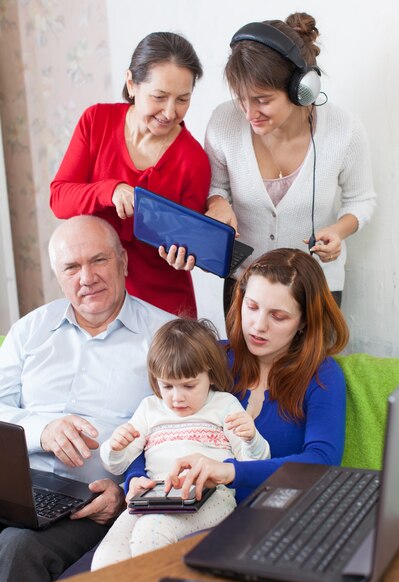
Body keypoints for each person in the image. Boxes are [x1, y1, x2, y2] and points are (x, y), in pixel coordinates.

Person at [0, 215, 174, 582]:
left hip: (93, 502)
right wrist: (42, 428)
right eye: (72, 267)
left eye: (99, 260)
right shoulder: (30, 330)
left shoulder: (166, 336)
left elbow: (182, 434)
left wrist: (126, 491)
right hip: (14, 487)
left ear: (123, 261)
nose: (86, 277)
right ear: (58, 275)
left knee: (16, 548)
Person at [124, 248, 349, 504]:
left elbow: (322, 461)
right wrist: (135, 478)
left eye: (278, 316)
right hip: (188, 506)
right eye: (251, 307)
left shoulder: (322, 375)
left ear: (304, 322)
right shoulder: (212, 355)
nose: (258, 325)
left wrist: (230, 471)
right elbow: (151, 422)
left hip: (273, 516)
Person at [204, 12, 376, 312]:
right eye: (241, 99)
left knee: (316, 362)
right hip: (246, 288)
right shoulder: (223, 122)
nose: (249, 112)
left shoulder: (343, 129)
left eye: (262, 99)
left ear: (301, 89)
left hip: (315, 287)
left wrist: (339, 231)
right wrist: (217, 202)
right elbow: (216, 186)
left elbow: (361, 199)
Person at [50, 31, 211, 318]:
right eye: (159, 97)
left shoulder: (193, 159)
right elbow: (60, 198)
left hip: (165, 308)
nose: (170, 112)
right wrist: (109, 190)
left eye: (183, 99)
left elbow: (187, 244)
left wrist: (183, 255)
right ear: (131, 83)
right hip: (98, 301)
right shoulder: (95, 122)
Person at [91, 318, 270, 570]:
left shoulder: (224, 405)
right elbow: (116, 465)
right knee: (105, 559)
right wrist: (115, 447)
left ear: (209, 374)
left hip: (211, 496)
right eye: (167, 386)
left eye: (189, 386)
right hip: (152, 497)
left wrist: (251, 438)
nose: (177, 398)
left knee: (151, 532)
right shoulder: (149, 409)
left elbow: (254, 464)